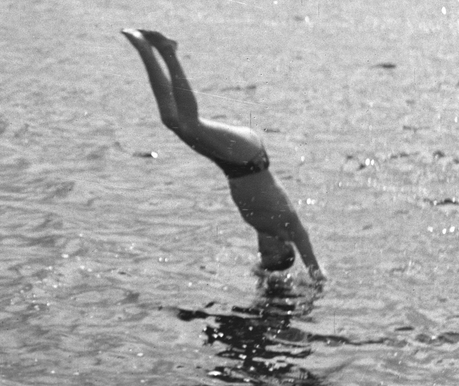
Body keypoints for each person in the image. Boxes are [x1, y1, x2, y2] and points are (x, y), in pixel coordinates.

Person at [121, 29, 325, 283]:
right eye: (268, 252)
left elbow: (264, 268)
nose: (261, 250)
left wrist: (266, 271)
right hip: (249, 156)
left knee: (171, 120)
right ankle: (168, 51)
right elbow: (309, 255)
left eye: (262, 254)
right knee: (190, 123)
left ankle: (145, 50)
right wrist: (315, 274)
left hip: (231, 164)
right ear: (286, 246)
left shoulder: (262, 228)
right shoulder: (288, 226)